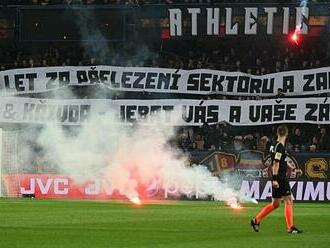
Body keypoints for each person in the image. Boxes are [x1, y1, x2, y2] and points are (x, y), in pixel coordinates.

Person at [250, 125, 303, 234]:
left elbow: (282, 159)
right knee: (288, 201)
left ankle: (256, 220)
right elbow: (276, 163)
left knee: (276, 204)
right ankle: (290, 227)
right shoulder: (280, 147)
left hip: (277, 176)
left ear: (278, 133)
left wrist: (293, 169)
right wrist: (275, 179)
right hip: (280, 177)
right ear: (286, 134)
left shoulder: (274, 145)